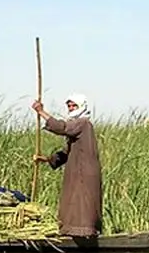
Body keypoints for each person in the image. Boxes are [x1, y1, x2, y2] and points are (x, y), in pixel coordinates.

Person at [30, 93, 103, 239]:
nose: (70, 108)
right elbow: (65, 153)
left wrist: (41, 112)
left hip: (84, 173)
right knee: (72, 202)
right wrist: (45, 159)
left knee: (83, 202)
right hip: (77, 171)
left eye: (74, 105)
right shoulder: (77, 126)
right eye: (69, 106)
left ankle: (85, 233)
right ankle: (71, 232)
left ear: (81, 107)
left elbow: (62, 127)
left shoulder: (83, 123)